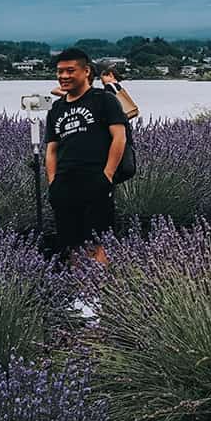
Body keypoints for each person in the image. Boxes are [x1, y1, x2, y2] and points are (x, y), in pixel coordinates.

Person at [45, 49, 130, 266]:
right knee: (72, 243)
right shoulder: (56, 108)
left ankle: (99, 296)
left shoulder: (104, 100)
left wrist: (107, 174)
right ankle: (80, 297)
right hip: (64, 183)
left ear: (86, 71)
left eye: (70, 70)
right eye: (60, 71)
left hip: (95, 179)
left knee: (97, 242)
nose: (63, 76)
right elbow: (52, 149)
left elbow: (119, 137)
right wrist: (52, 182)